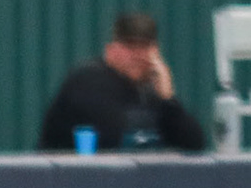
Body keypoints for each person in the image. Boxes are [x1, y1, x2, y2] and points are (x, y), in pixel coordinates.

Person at [38, 11, 206, 153]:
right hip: (68, 177)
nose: (138, 55)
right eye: (130, 46)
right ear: (110, 49)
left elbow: (194, 144)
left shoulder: (154, 91)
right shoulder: (87, 81)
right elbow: (114, 137)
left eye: (145, 47)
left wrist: (168, 99)